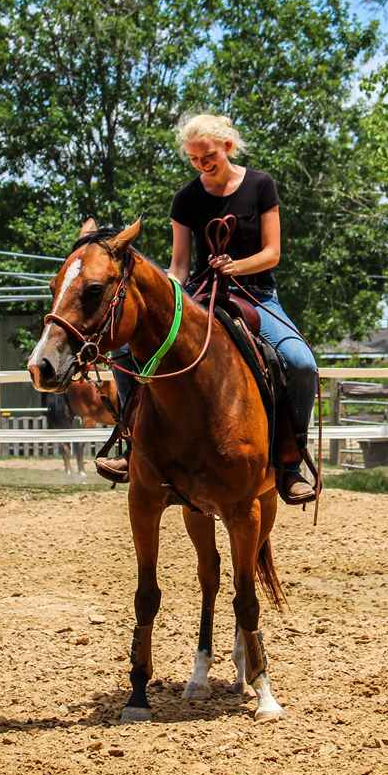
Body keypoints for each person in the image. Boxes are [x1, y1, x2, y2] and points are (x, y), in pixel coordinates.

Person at [96, 113, 317, 504]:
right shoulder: (186, 199)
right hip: (199, 294)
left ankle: (290, 463)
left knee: (300, 363)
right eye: (194, 159)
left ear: (227, 147)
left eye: (208, 156)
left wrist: (237, 267)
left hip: (257, 294)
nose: (202, 165)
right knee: (125, 353)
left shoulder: (261, 185)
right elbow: (179, 265)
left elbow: (272, 253)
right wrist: (169, 294)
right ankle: (131, 446)